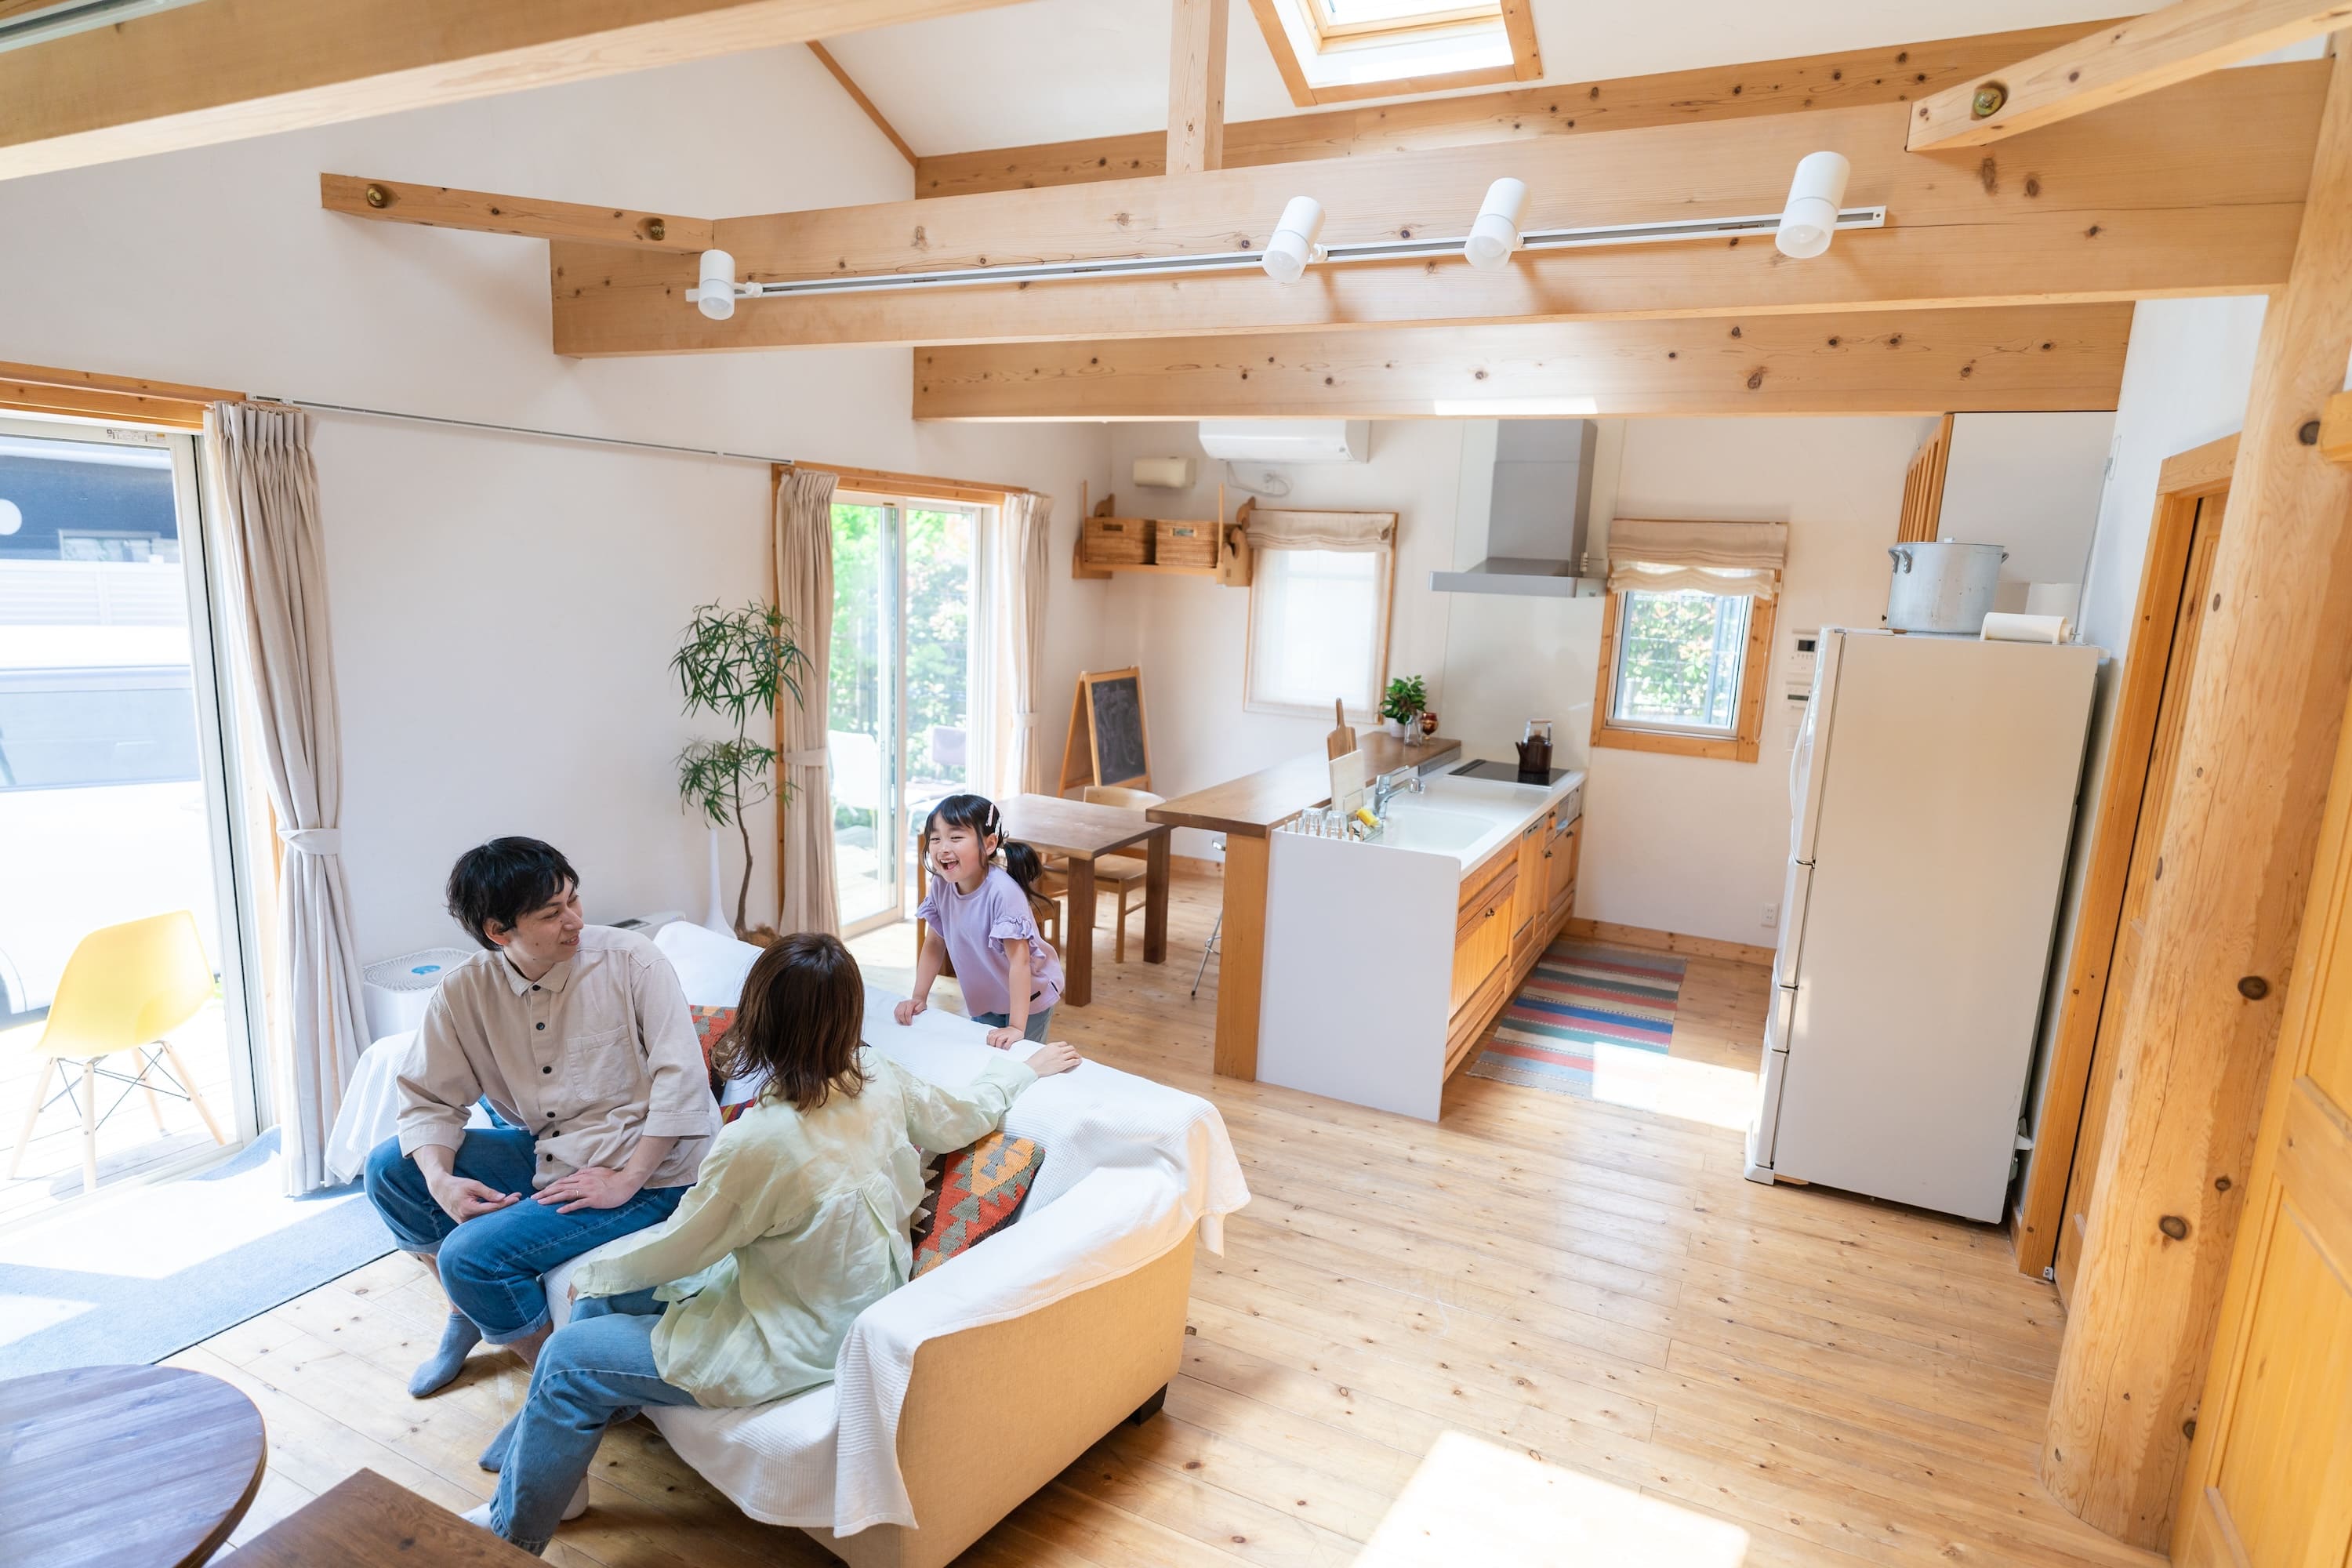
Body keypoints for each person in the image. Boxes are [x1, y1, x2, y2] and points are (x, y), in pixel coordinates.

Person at [463, 931, 1080, 1555]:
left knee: (570, 1352)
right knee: (599, 1311)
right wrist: (1020, 1068)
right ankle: (556, 1473)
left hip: (798, 1336)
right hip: (849, 1295)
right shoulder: (876, 1073)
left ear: (759, 1019)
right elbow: (961, 1117)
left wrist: (591, 1277)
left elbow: (685, 1246)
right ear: (847, 1015)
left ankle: (507, 1541)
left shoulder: (759, 1141)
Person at [363, 837, 717, 1402]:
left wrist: (626, 1179)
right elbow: (428, 1098)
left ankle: (557, 1386)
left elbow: (683, 1084)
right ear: (498, 931)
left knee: (471, 1255)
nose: (575, 920)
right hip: (550, 1150)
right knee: (390, 1168)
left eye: (574, 900)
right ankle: (466, 1314)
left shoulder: (631, 961)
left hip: (652, 1170)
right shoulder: (465, 992)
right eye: (552, 914)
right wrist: (441, 1182)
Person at [894, 793, 1065, 1047]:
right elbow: (934, 944)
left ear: (988, 844)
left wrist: (1017, 1027)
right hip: (985, 998)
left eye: (955, 837)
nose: (943, 847)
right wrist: (919, 996)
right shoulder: (941, 884)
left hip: (1028, 999)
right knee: (986, 1062)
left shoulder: (1002, 892)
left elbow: (1020, 962)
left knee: (1022, 1067)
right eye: (936, 838)